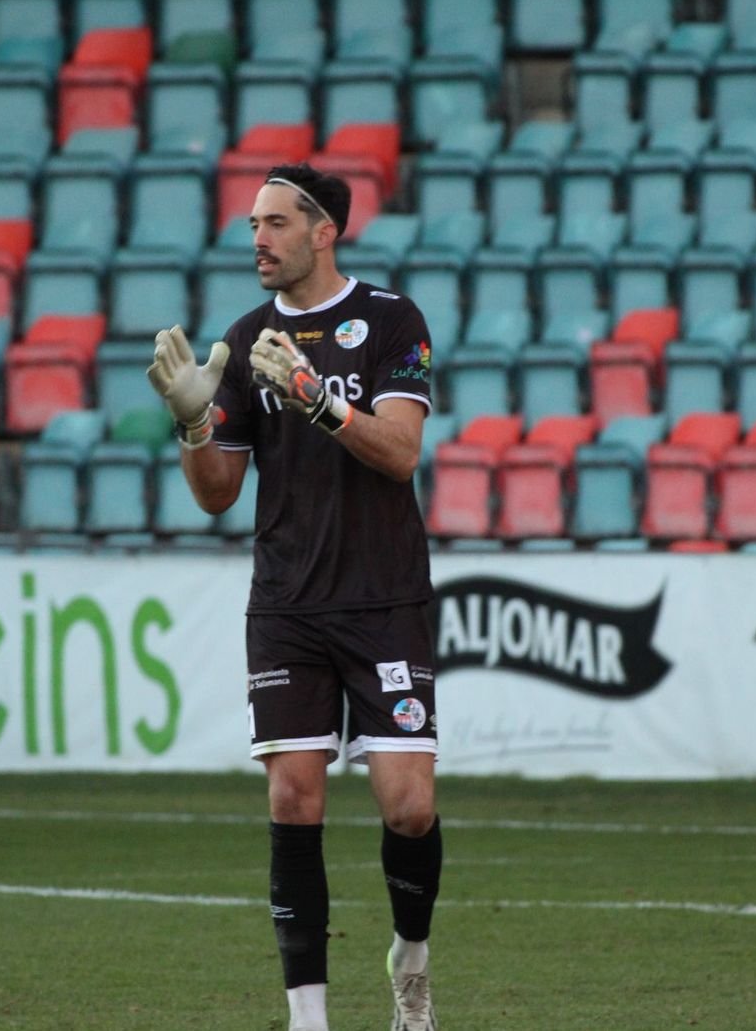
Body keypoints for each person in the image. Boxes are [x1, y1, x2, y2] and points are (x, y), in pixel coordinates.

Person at [145, 164, 443, 1031]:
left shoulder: (392, 321)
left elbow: (400, 453)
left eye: (275, 223)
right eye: (251, 225)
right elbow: (214, 493)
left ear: (324, 232)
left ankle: (411, 962)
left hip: (384, 596)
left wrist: (315, 400)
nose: (258, 240)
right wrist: (195, 422)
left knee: (409, 807)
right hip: (287, 602)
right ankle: (307, 1019)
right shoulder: (242, 338)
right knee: (291, 800)